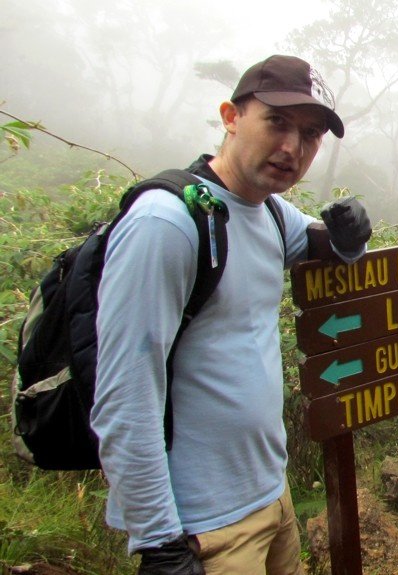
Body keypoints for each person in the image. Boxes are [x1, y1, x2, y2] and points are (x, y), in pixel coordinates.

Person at [91, 55, 372, 575]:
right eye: (277, 122)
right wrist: (160, 544)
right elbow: (124, 393)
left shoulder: (266, 210)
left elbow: (326, 246)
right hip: (205, 526)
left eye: (310, 134)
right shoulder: (168, 223)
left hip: (272, 498)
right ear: (230, 116)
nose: (292, 148)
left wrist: (351, 235)